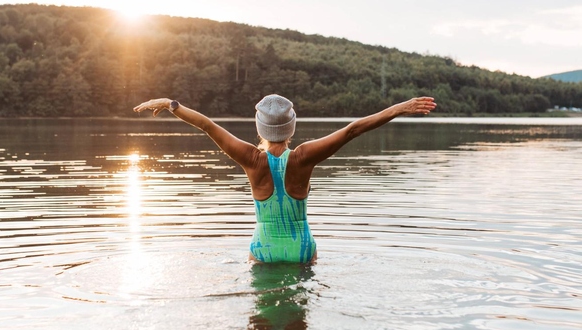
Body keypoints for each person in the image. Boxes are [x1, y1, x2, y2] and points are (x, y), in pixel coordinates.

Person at [133, 95, 437, 264]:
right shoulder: (304, 156)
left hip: (263, 248)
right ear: (291, 128)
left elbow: (208, 127)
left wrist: (173, 104)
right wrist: (400, 108)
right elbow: (352, 129)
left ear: (259, 128)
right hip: (301, 249)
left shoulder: (251, 159)